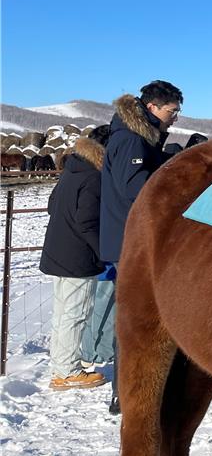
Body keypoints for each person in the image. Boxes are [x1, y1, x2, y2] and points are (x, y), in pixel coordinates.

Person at [100, 79, 183, 413]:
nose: (175, 116)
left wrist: (169, 156)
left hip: (132, 238)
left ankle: (136, 387)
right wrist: (174, 179)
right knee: (134, 318)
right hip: (128, 241)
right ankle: (125, 391)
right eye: (171, 110)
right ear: (152, 108)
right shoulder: (130, 140)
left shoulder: (138, 137)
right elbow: (135, 187)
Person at [39, 125, 111, 390]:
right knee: (75, 314)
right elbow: (86, 222)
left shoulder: (73, 168)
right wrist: (104, 251)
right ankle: (67, 372)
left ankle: (62, 364)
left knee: (62, 313)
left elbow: (51, 205)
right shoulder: (94, 176)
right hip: (77, 258)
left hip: (58, 251)